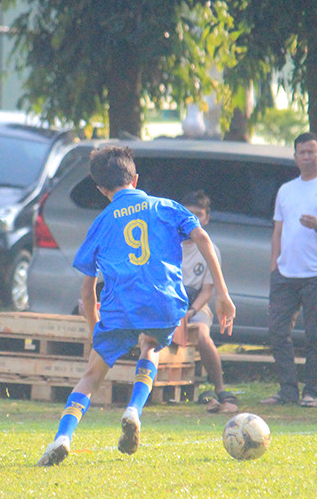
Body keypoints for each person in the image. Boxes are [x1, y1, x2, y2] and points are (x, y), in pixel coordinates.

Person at [37, 145, 235, 466]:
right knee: (151, 348)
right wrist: (223, 294)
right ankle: (134, 410)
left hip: (120, 306)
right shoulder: (166, 207)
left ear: (101, 189)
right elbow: (202, 239)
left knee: (91, 375)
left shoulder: (101, 223)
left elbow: (88, 291)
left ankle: (63, 437)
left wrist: (94, 331)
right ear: (136, 177)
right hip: (165, 301)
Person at [260, 132, 317, 408]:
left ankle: (311, 391)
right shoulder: (286, 190)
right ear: (295, 157)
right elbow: (278, 230)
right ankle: (288, 389)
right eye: (302, 152)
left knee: (314, 334)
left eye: (312, 151)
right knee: (277, 331)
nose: (307, 157)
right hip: (286, 274)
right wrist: (274, 264)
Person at [178, 190, 237, 414]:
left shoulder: (210, 249)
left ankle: (220, 387)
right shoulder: (169, 244)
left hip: (196, 304)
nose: (194, 219)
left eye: (199, 215)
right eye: (189, 213)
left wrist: (191, 311)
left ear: (206, 219)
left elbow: (207, 290)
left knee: (202, 335)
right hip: (171, 303)